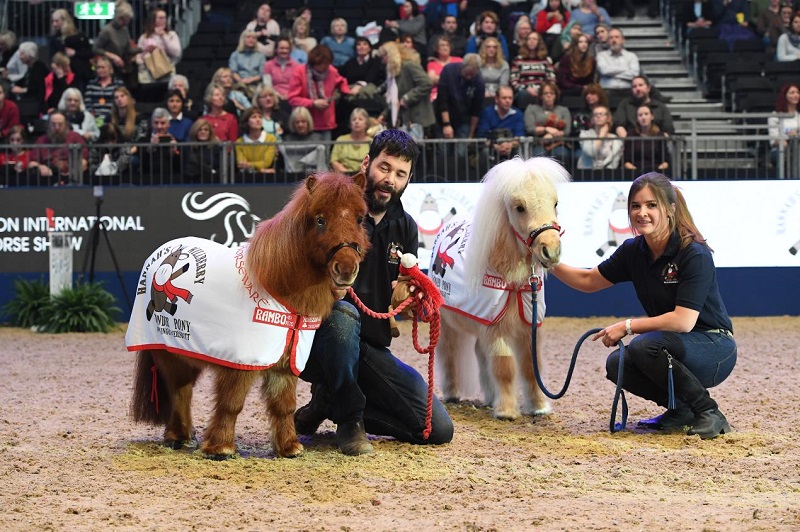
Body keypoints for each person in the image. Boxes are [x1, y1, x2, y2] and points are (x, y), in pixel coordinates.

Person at [294, 128, 454, 455]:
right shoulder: (333, 208)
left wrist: (412, 300)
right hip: (321, 338)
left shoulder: (406, 226)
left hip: (371, 348)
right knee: (344, 315)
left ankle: (328, 402)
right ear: (366, 163)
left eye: (400, 174)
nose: (389, 180)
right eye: (384, 168)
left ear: (409, 179)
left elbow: (400, 289)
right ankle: (350, 420)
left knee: (436, 429)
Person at [551, 173, 736, 439]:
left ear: (670, 209)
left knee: (644, 345)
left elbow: (683, 321)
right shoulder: (633, 251)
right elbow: (588, 280)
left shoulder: (694, 253)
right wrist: (547, 262)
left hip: (716, 349)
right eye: (636, 206)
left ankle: (709, 412)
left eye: (651, 205)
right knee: (618, 363)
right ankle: (681, 409)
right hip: (675, 346)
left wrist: (628, 326)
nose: (642, 213)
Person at [287, 44, 351, 140]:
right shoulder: (299, 72)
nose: (325, 67)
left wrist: (347, 90)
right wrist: (313, 103)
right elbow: (292, 99)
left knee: (324, 153)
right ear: (313, 63)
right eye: (321, 64)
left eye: (327, 63)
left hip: (326, 122)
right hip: (306, 124)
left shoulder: (331, 70)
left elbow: (342, 82)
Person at [377, 41, 435, 140]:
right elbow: (395, 100)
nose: (382, 61)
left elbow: (426, 83)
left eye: (383, 57)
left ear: (390, 55)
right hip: (404, 120)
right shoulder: (394, 74)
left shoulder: (409, 66)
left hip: (417, 119)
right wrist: (385, 114)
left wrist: (407, 98)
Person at [436, 54, 485, 156]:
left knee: (461, 153)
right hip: (443, 117)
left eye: (472, 74)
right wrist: (447, 125)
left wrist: (470, 136)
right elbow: (442, 100)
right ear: (462, 67)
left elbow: (476, 111)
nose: (469, 77)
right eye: (467, 73)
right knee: (443, 153)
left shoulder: (479, 81)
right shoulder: (448, 70)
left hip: (464, 119)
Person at [28, 110, 89, 185]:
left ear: (66, 125)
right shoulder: (41, 140)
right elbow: (32, 163)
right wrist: (40, 167)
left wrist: (77, 167)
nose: (57, 128)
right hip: (48, 178)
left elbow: (84, 159)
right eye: (53, 124)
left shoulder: (75, 137)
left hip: (72, 178)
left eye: (60, 124)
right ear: (48, 125)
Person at [92, 1, 141, 89]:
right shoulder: (107, 30)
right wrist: (112, 56)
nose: (125, 22)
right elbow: (95, 48)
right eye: (123, 19)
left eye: (127, 20)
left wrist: (143, 49)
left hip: (123, 70)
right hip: (109, 70)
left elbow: (128, 50)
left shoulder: (124, 30)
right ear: (117, 17)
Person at [524, 80, 572, 163]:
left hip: (558, 143)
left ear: (555, 96)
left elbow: (566, 131)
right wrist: (547, 129)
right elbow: (530, 128)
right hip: (538, 143)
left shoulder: (563, 110)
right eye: (545, 93)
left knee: (561, 154)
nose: (549, 96)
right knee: (539, 156)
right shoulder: (531, 108)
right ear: (540, 96)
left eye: (552, 93)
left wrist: (551, 135)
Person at [476, 85, 525, 161]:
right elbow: (483, 136)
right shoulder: (487, 113)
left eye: (510, 98)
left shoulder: (518, 114)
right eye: (504, 98)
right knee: (485, 152)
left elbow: (519, 136)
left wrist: (509, 145)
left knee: (519, 153)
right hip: (492, 150)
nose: (508, 101)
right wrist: (496, 146)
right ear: (496, 99)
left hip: (511, 150)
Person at [510, 31, 556, 110]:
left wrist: (542, 90)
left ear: (539, 42)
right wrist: (526, 88)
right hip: (524, 90)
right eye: (529, 39)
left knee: (548, 95)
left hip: (542, 89)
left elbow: (551, 80)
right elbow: (514, 80)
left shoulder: (546, 60)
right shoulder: (518, 60)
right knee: (523, 94)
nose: (531, 41)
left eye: (534, 39)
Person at [136, 8, 181, 85]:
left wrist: (164, 36)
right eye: (160, 18)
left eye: (165, 18)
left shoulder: (171, 35)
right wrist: (146, 52)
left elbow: (177, 53)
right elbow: (138, 57)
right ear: (153, 20)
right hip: (148, 78)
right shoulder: (144, 37)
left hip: (167, 75)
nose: (163, 20)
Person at [48, 8, 93, 87]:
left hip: (80, 72)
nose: (54, 24)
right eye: (53, 21)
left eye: (57, 21)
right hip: (62, 73)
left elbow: (89, 53)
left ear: (64, 20)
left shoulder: (80, 36)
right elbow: (51, 56)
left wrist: (75, 53)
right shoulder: (54, 39)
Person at [279, 106, 327, 176]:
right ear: (293, 124)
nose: (300, 125)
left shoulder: (318, 138)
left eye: (303, 121)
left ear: (308, 122)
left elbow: (323, 161)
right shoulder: (287, 139)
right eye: (297, 122)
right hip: (292, 177)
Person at [622, 104, 670, 172]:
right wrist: (635, 171)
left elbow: (665, 161)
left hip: (656, 172)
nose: (643, 117)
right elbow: (626, 161)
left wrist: (657, 171)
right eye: (640, 115)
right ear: (637, 119)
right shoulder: (631, 135)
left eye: (646, 114)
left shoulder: (660, 135)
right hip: (635, 172)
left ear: (652, 116)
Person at [234, 107, 277, 180]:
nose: (258, 120)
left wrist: (249, 165)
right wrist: (261, 169)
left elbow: (267, 163)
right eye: (254, 117)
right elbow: (241, 163)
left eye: (260, 117)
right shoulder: (239, 142)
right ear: (246, 121)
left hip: (267, 178)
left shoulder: (271, 139)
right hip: (246, 178)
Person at [596, 27, 640, 96]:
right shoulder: (601, 55)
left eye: (617, 37)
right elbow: (604, 71)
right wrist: (625, 69)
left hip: (627, 90)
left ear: (622, 40)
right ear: (608, 41)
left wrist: (611, 74)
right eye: (611, 38)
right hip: (607, 90)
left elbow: (634, 74)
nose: (614, 40)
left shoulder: (631, 56)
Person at [577, 104, 622, 169]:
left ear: (608, 118)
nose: (598, 116)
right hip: (587, 172)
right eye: (595, 114)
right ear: (592, 119)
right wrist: (602, 135)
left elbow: (615, 162)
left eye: (601, 114)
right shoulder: (585, 134)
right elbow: (591, 152)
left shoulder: (615, 139)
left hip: (609, 174)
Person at [768, 83, 800, 171]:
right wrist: (785, 139)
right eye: (792, 93)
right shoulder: (775, 116)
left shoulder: (799, 116)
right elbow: (773, 139)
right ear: (785, 96)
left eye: (797, 92)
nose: (796, 95)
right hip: (782, 149)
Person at [10, 42, 48, 115]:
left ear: (30, 54)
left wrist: (22, 90)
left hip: (35, 102)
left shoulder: (38, 66)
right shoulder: (30, 68)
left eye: (22, 54)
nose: (20, 57)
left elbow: (38, 87)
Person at [83, 55, 123, 125]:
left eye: (103, 67)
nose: (100, 70)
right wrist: (91, 115)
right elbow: (87, 102)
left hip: (113, 118)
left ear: (110, 69)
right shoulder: (91, 83)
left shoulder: (118, 84)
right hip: (94, 119)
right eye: (98, 68)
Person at [184, 118, 222, 183]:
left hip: (213, 181)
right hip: (194, 181)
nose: (203, 132)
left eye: (206, 130)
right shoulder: (189, 148)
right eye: (200, 130)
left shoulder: (216, 147)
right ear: (195, 131)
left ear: (210, 132)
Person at [427, 35, 463, 101]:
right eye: (442, 45)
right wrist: (453, 78)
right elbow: (431, 80)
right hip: (437, 94)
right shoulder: (432, 64)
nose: (445, 48)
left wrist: (440, 78)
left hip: (456, 93)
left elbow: (463, 77)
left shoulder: (459, 61)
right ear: (437, 49)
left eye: (447, 45)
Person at [479, 36, 510, 102]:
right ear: (484, 49)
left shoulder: (504, 64)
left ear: (497, 50)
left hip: (498, 95)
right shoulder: (478, 63)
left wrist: (496, 94)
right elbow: (476, 82)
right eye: (488, 47)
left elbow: (503, 84)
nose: (491, 49)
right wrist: (483, 92)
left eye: (494, 47)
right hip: (481, 94)